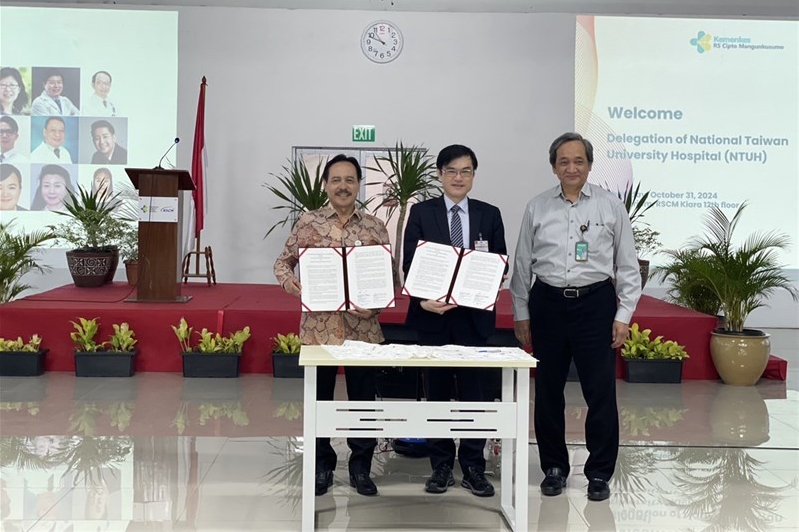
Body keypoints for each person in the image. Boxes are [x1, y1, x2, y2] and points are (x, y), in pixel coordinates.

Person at [509, 132, 641, 502]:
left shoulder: (610, 206)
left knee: (599, 391)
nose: (571, 167)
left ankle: (599, 472)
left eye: (578, 161)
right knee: (548, 390)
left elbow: (628, 266)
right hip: (547, 303)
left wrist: (623, 314)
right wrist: (521, 312)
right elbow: (522, 264)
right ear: (554, 167)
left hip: (595, 303)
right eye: (563, 161)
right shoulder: (537, 207)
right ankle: (553, 468)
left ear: (589, 164)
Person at [273, 154, 390, 498]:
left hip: (363, 331)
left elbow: (388, 278)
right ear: (325, 185)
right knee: (320, 399)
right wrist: (294, 285)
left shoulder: (374, 227)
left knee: (363, 402)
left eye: (350, 179)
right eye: (336, 179)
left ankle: (361, 467)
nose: (343, 186)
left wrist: (378, 304)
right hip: (318, 330)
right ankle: (322, 465)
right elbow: (282, 263)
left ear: (358, 185)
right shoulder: (308, 223)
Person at [402, 144, 507, 498]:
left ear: (474, 176)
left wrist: (492, 279)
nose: (458, 177)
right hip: (434, 319)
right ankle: (441, 465)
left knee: (475, 396)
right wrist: (422, 300)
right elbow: (409, 266)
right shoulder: (421, 212)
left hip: (474, 321)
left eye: (466, 171)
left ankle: (474, 465)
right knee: (438, 394)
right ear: (439, 174)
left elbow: (498, 265)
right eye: (451, 171)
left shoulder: (489, 215)